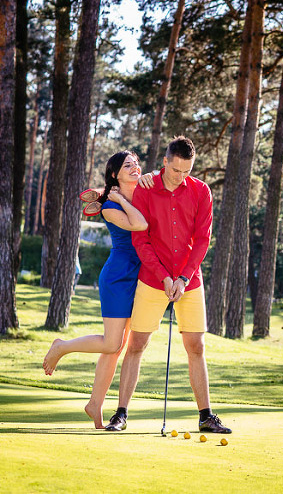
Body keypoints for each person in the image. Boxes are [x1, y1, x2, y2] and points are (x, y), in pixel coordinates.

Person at [104, 136, 231, 434]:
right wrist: (163, 276)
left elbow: (202, 240)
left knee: (196, 346)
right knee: (136, 344)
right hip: (152, 278)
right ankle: (120, 414)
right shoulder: (146, 190)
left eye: (186, 171)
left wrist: (183, 278)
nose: (180, 177)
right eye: (176, 171)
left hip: (190, 279)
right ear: (164, 162)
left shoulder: (201, 191)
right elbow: (141, 239)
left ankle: (206, 416)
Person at [42, 151, 148, 429]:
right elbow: (139, 224)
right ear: (115, 174)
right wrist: (118, 198)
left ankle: (95, 404)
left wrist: (116, 194)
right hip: (118, 277)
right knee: (112, 343)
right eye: (128, 165)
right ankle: (62, 347)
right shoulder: (109, 208)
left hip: (141, 276)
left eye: (136, 163)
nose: (135, 167)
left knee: (117, 347)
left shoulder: (142, 194)